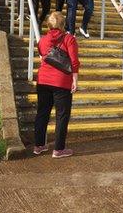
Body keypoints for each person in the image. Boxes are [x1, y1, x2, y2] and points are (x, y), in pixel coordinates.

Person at [33, 12, 80, 158]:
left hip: (43, 80)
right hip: (61, 81)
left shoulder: (42, 40)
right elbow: (74, 62)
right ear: (63, 24)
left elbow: (42, 55)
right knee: (62, 115)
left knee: (42, 113)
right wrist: (75, 80)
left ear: (49, 24)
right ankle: (58, 149)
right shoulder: (69, 39)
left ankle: (39, 145)